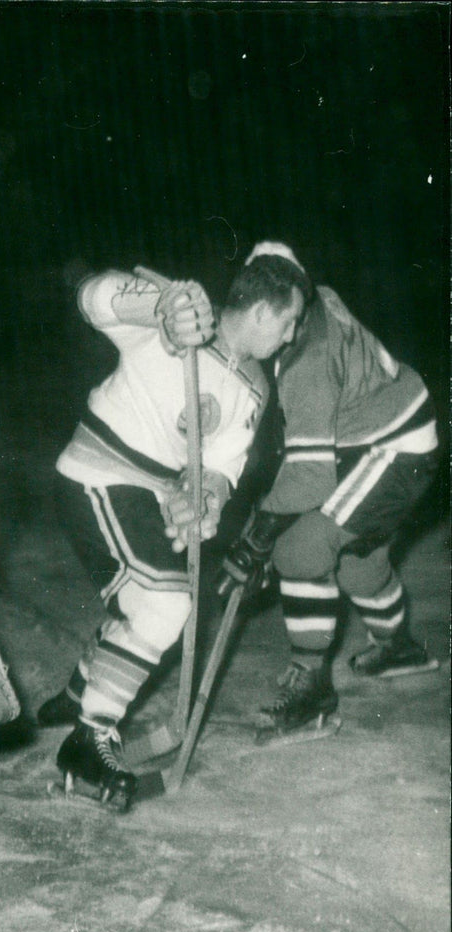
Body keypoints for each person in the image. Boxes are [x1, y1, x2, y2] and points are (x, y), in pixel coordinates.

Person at [38, 255, 312, 808]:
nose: (290, 337)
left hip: (149, 494)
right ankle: (90, 736)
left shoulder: (257, 386)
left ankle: (80, 692)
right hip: (98, 475)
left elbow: (223, 463)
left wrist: (205, 498)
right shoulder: (179, 321)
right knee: (165, 603)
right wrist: (155, 305)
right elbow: (90, 294)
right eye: (287, 322)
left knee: (148, 597)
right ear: (261, 311)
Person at [206, 242, 440, 738]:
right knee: (357, 559)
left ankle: (312, 687)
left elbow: (311, 475)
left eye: (292, 320)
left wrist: (258, 537)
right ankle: (399, 648)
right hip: (393, 429)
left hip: (394, 448)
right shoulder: (318, 298)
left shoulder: (306, 359)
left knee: (301, 547)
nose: (290, 331)